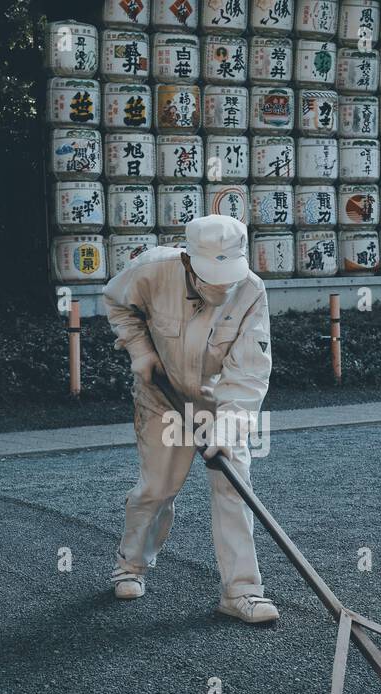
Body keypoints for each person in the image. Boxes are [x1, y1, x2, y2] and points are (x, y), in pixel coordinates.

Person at [102, 214, 278, 624]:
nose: (221, 286)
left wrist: (228, 427)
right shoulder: (151, 270)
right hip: (160, 396)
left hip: (217, 401)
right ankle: (130, 565)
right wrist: (139, 350)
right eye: (211, 277)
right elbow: (117, 303)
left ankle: (241, 592)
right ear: (188, 262)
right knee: (159, 487)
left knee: (234, 484)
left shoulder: (251, 290)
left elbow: (249, 372)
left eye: (227, 277)